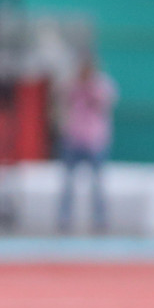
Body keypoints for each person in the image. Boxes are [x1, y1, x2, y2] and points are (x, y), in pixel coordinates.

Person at [57, 57, 117, 234]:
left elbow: (105, 103)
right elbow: (61, 97)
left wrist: (90, 87)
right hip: (73, 138)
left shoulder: (101, 84)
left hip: (95, 140)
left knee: (98, 183)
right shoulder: (71, 84)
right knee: (68, 183)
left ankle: (100, 219)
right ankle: (64, 217)